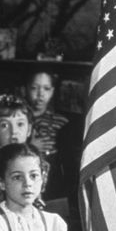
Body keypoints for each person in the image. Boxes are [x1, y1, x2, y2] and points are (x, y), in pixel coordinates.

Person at [25, 71, 69, 199]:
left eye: (46, 88)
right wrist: (30, 146)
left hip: (53, 178)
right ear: (26, 89)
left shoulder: (61, 122)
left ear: (53, 91)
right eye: (34, 88)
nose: (40, 94)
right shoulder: (20, 120)